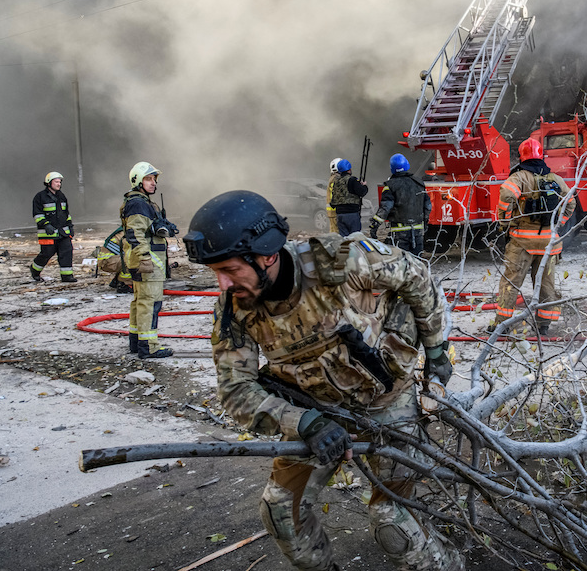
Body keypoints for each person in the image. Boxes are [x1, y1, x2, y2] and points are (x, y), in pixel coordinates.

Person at [182, 190, 463, 571]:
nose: (222, 285)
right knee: (280, 512)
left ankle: (445, 563)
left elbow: (416, 277)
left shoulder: (343, 261)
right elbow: (235, 390)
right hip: (315, 412)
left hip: (388, 402)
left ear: (265, 255)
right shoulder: (234, 311)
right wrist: (305, 423)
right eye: (215, 272)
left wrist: (434, 350)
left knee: (391, 522)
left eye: (230, 270)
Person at [487, 138, 576, 336]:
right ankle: (544, 324)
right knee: (546, 285)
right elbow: (570, 203)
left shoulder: (520, 177)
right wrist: (558, 223)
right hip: (549, 243)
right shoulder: (554, 179)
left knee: (510, 283)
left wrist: (505, 221)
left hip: (522, 242)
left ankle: (503, 324)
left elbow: (507, 194)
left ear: (522, 156)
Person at [121, 162, 175, 359]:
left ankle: (137, 343)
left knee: (140, 302)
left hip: (144, 260)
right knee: (150, 303)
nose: (153, 183)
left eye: (154, 179)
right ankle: (149, 347)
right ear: (137, 181)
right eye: (148, 179)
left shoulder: (142, 202)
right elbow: (135, 233)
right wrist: (144, 258)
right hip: (148, 261)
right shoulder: (139, 203)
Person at [370, 153, 431, 256]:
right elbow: (428, 206)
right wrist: (425, 222)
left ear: (392, 168)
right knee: (416, 264)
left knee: (401, 263)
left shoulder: (390, 186)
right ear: (407, 165)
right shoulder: (419, 183)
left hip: (399, 232)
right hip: (417, 231)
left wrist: (374, 225)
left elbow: (385, 208)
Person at [31, 171, 77, 282]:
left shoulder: (61, 196)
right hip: (48, 233)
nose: (59, 184)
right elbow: (37, 215)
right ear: (49, 183)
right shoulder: (40, 197)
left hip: (62, 232)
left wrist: (70, 227)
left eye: (60, 182)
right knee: (47, 253)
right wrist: (46, 225)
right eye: (56, 182)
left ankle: (67, 276)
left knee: (67, 251)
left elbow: (66, 213)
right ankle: (34, 270)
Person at [328, 158, 368, 237]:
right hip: (352, 214)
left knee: (344, 241)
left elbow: (333, 201)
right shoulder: (352, 180)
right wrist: (364, 185)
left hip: (340, 215)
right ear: (349, 170)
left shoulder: (336, 182)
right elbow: (362, 192)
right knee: (355, 238)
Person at [326, 157, 342, 233]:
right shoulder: (335, 179)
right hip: (334, 212)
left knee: (333, 231)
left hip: (333, 212)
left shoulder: (333, 178)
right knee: (335, 234)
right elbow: (335, 195)